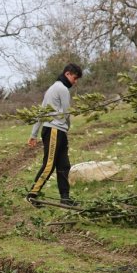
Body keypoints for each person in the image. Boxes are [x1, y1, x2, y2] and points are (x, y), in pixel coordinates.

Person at [26, 63, 83, 206]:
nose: (75, 82)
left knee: (64, 165)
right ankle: (32, 195)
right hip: (54, 130)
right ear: (68, 74)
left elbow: (41, 111)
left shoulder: (52, 88)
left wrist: (34, 134)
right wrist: (67, 126)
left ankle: (65, 199)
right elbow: (66, 112)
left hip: (58, 131)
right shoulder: (62, 89)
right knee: (49, 165)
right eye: (75, 78)